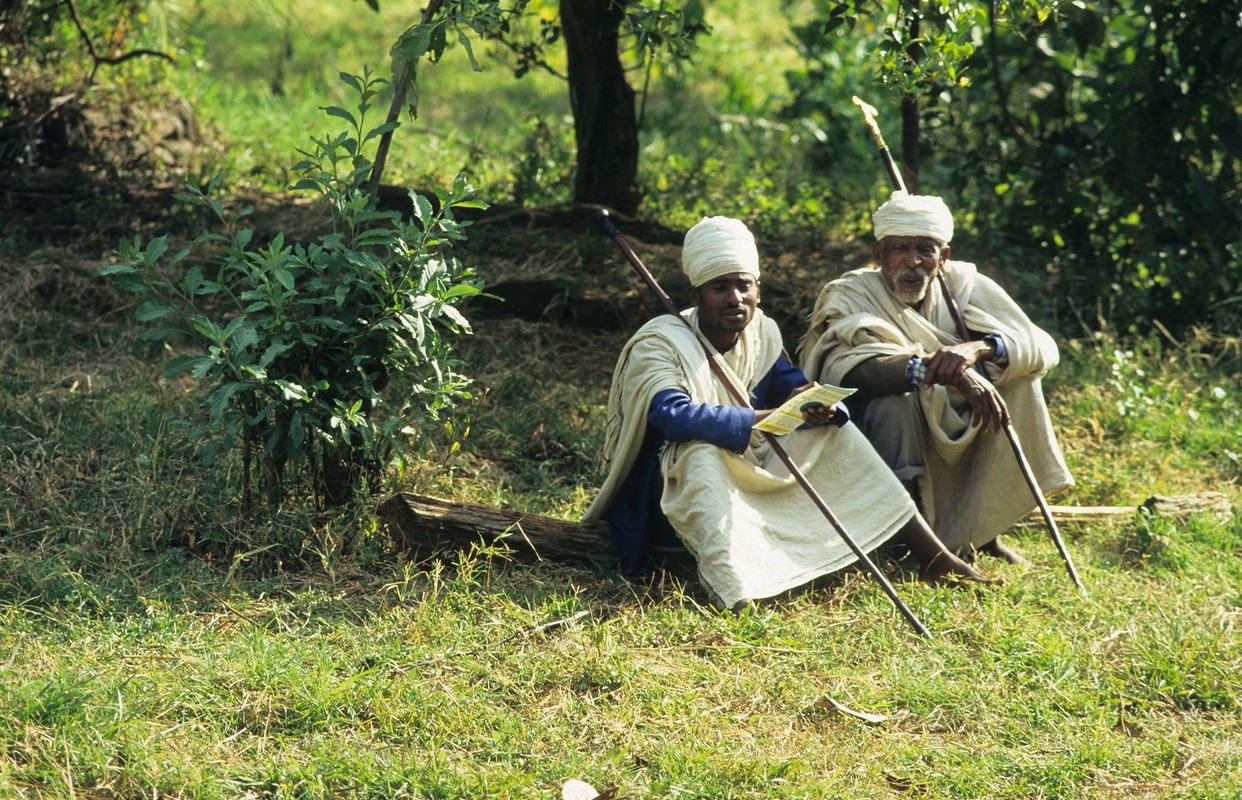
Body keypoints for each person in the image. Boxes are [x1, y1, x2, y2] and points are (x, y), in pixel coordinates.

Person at [583, 215, 990, 610]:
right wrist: (761, 419)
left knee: (836, 433)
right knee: (701, 456)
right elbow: (673, 416)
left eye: (744, 286)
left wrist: (815, 403)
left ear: (757, 289)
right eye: (719, 288)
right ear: (695, 296)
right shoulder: (660, 342)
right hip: (668, 488)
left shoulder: (762, 331)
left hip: (744, 460)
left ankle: (932, 557)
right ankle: (736, 591)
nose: (734, 299)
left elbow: (789, 384)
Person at [798, 191, 1074, 562]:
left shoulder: (964, 284)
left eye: (925, 249)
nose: (912, 262)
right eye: (900, 249)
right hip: (872, 428)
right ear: (878, 254)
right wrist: (937, 371)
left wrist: (976, 350)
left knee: (1021, 381)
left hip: (955, 417)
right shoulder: (850, 294)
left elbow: (1041, 346)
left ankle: (982, 532)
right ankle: (907, 541)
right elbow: (851, 369)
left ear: (943, 257)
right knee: (893, 403)